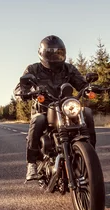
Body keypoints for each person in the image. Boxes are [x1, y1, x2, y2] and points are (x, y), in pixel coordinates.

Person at [14, 35, 97, 181]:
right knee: (38, 121)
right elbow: (20, 87)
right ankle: (32, 164)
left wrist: (89, 88)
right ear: (43, 53)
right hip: (44, 109)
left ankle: (90, 157)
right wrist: (24, 92)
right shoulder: (33, 69)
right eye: (51, 53)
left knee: (87, 113)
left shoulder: (68, 69)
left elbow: (82, 84)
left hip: (66, 108)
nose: (55, 56)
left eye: (58, 52)